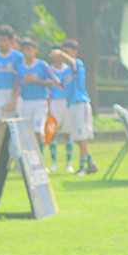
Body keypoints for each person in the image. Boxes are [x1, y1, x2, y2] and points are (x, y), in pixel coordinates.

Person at [50, 39, 97, 175]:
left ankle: (83, 168)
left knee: (82, 137)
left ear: (74, 52)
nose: (63, 55)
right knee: (77, 137)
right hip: (71, 105)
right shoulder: (65, 72)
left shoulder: (77, 64)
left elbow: (72, 62)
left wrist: (60, 54)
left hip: (80, 104)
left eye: (67, 51)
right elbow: (60, 86)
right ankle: (91, 163)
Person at [0, 25, 24, 161]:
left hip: (10, 94)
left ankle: (14, 159)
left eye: (4, 40)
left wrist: (13, 100)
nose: (1, 43)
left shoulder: (18, 57)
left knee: (11, 129)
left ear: (11, 41)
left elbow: (18, 81)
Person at [12, 38, 57, 158]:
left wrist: (35, 81)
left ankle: (39, 159)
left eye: (29, 49)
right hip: (26, 101)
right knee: (27, 132)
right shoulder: (19, 67)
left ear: (35, 51)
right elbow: (17, 84)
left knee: (38, 130)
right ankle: (30, 158)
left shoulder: (42, 65)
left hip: (40, 101)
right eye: (24, 50)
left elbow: (52, 82)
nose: (26, 52)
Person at [47, 52, 74, 172]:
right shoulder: (49, 70)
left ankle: (69, 163)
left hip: (66, 102)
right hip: (54, 102)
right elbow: (48, 90)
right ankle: (54, 163)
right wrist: (48, 108)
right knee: (53, 132)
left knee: (68, 132)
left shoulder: (68, 70)